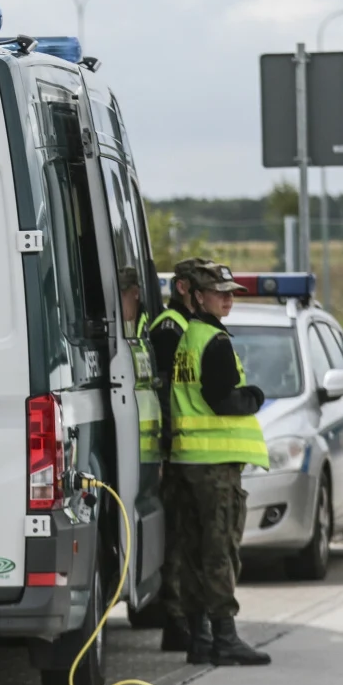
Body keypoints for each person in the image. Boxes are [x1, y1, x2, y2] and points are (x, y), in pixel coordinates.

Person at [169, 262, 271, 666]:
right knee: (220, 551)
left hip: (188, 462)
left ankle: (200, 639)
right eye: (219, 292)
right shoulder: (215, 341)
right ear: (197, 296)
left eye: (231, 293)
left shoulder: (188, 337)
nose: (228, 299)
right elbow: (222, 399)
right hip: (215, 467)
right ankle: (225, 638)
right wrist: (254, 396)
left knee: (194, 552)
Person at [147, 256, 218, 652]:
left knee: (192, 539)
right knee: (178, 539)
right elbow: (166, 397)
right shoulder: (169, 329)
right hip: (176, 452)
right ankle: (176, 621)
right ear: (183, 288)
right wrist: (166, 450)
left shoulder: (192, 327)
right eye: (202, 287)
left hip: (192, 451)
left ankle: (188, 619)